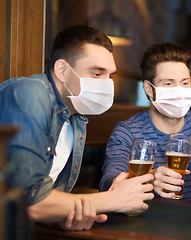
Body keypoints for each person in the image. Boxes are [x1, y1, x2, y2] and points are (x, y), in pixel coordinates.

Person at [0, 25, 154, 231]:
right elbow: (28, 200)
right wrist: (113, 199)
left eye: (110, 75)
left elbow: (46, 203)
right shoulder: (29, 92)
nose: (108, 84)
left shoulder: (76, 119)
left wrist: (67, 213)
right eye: (97, 73)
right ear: (62, 70)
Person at [99, 42, 191, 200]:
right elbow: (108, 185)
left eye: (185, 83)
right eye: (169, 83)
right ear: (149, 89)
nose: (179, 91)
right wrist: (149, 178)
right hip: (147, 221)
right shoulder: (128, 132)